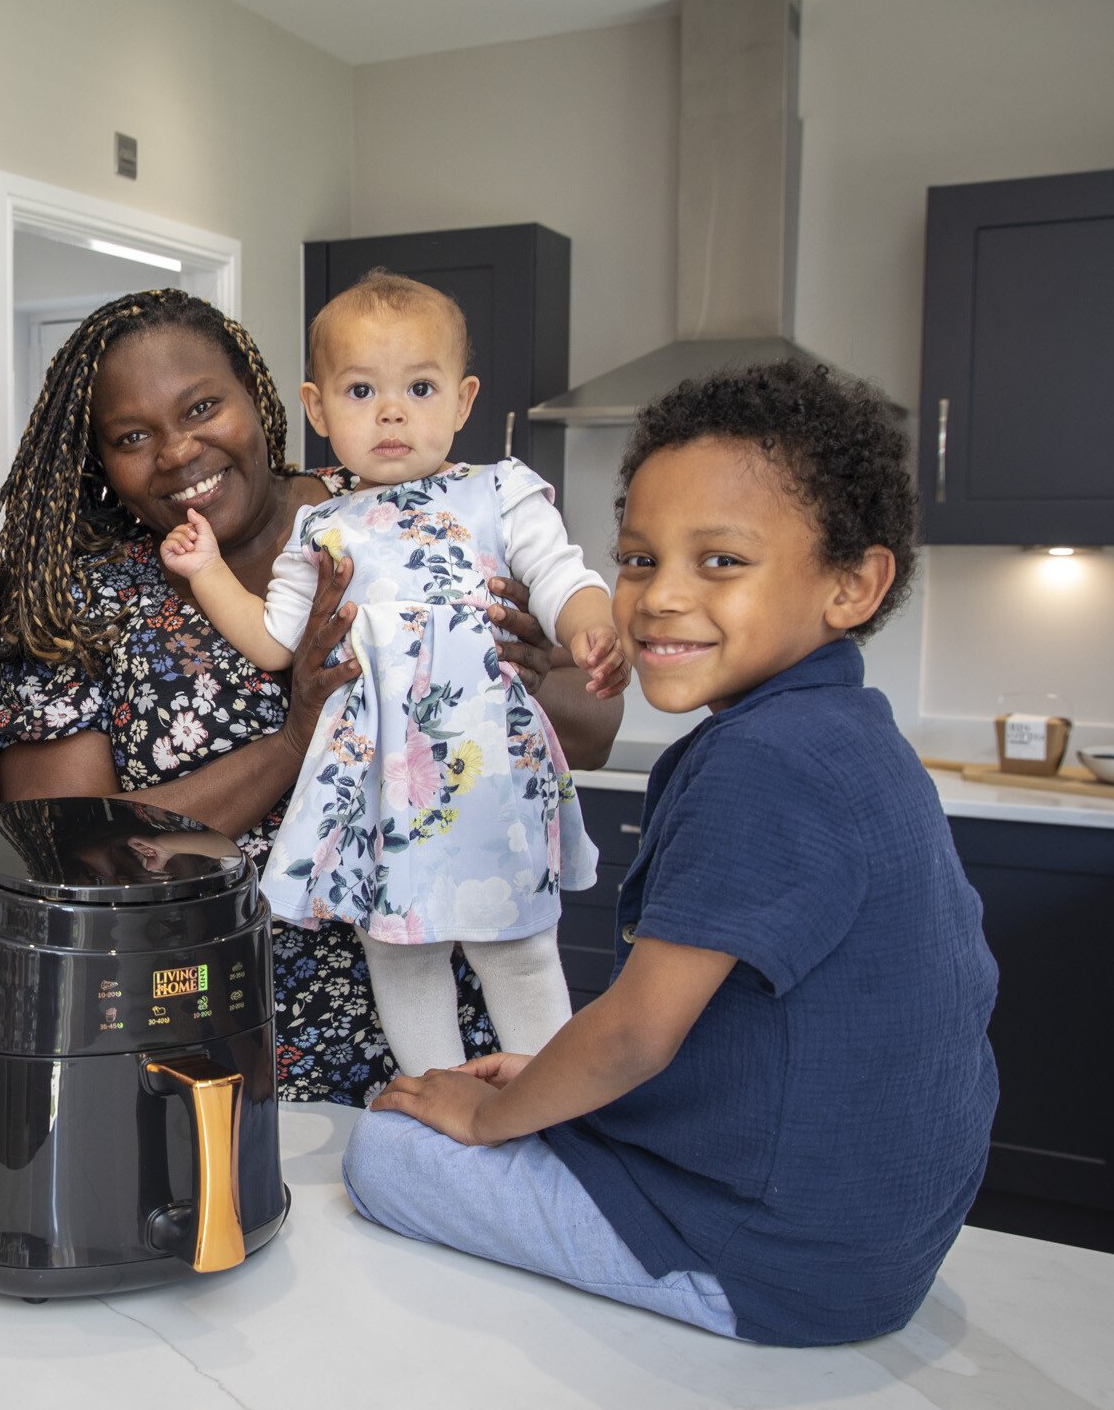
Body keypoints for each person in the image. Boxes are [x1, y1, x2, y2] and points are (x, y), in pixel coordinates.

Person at [344, 359, 999, 1346]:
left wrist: (489, 1120)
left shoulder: (761, 764)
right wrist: (539, 1078)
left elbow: (636, 1037)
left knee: (387, 1150)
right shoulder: (851, 735)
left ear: (852, 584)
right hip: (875, 1244)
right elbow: (736, 1032)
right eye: (641, 560)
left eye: (721, 562)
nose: (656, 598)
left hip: (773, 1265)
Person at [0, 288, 622, 1105]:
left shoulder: (418, 501)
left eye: (203, 406)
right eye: (132, 436)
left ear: (262, 399)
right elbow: (69, 852)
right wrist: (293, 740)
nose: (179, 452)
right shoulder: (80, 604)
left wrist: (520, 666)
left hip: (477, 1017)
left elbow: (598, 723)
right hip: (216, 1058)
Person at [161, 271, 621, 1070]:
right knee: (400, 954)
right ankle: (438, 1104)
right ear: (316, 408)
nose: (391, 412)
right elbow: (273, 640)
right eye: (361, 390)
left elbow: (560, 576)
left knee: (515, 948)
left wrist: (589, 627)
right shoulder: (320, 526)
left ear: (463, 399)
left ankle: (552, 1110)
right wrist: (206, 573)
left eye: (418, 386)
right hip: (385, 788)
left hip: (487, 780)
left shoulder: (497, 493)